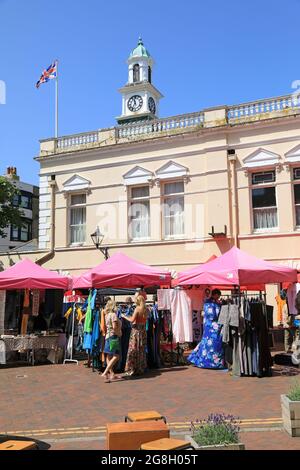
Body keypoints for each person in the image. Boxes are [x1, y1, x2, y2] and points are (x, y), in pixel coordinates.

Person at [188, 289, 225, 369]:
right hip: (212, 326)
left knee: (209, 342)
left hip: (210, 326)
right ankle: (210, 362)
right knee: (211, 343)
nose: (218, 297)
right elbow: (211, 315)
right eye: (218, 295)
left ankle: (209, 361)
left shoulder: (211, 302)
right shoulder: (209, 303)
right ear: (215, 294)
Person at [122, 294, 148, 376]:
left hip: (136, 331)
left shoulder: (137, 309)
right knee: (141, 350)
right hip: (143, 331)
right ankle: (140, 368)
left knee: (133, 350)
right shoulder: (146, 309)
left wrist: (124, 316)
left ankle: (132, 368)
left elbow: (132, 320)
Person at [101, 300, 122, 383]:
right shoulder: (113, 315)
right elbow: (114, 327)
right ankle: (105, 372)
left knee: (109, 356)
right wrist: (119, 333)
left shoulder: (107, 315)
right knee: (116, 356)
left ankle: (111, 374)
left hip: (108, 336)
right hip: (113, 336)